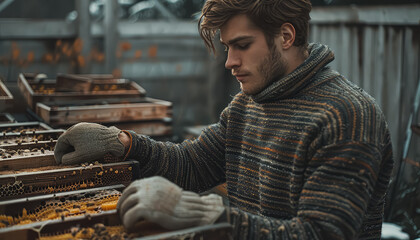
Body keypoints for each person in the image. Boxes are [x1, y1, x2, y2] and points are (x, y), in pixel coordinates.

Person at [54, 0, 394, 239]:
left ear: (286, 37)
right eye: (227, 47)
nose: (230, 62)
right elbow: (193, 164)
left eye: (242, 45)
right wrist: (121, 143)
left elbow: (320, 233)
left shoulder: (348, 117)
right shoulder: (249, 104)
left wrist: (206, 216)